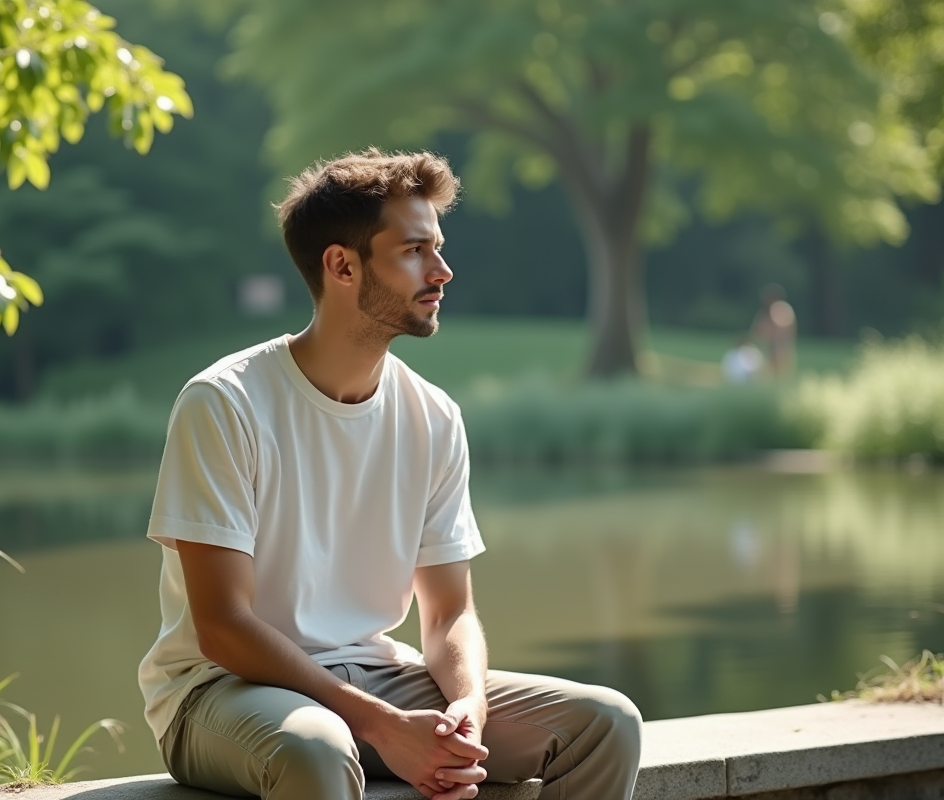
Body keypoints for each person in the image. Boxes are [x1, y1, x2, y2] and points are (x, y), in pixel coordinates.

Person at [138, 149, 642, 800]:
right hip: (221, 690)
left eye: (438, 247)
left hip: (372, 673)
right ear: (342, 265)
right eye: (414, 251)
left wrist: (468, 713)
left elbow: (449, 611)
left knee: (606, 724)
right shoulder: (225, 403)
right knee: (316, 749)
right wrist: (383, 726)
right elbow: (224, 627)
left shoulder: (432, 416)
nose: (442, 271)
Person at [749, 284, 797, 378]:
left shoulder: (783, 309)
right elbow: (757, 330)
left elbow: (783, 327)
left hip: (781, 345)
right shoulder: (763, 312)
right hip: (768, 345)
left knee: (781, 369)